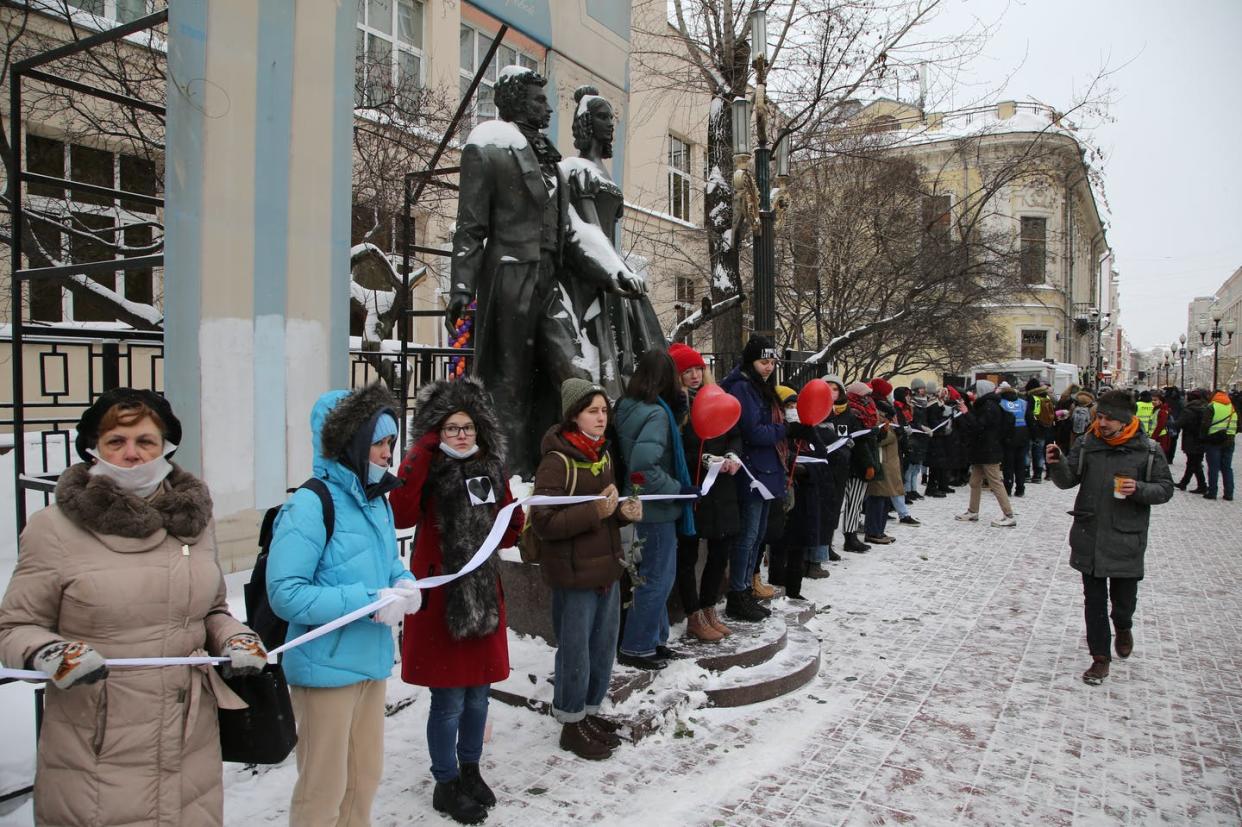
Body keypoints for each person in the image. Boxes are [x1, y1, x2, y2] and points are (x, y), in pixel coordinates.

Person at [0, 388, 267, 827]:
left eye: (145, 441)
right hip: (99, 746)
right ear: (92, 450)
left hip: (189, 740)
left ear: (166, 448)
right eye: (116, 442)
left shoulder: (192, 522)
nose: (132, 454)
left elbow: (211, 608)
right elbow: (15, 627)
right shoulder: (55, 528)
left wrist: (234, 635)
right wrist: (52, 653)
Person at [448, 67, 641, 477]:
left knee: (575, 374)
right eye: (539, 99)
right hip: (510, 279)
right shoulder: (488, 145)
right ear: (514, 101)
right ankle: (511, 478)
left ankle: (564, 469)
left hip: (549, 282)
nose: (548, 106)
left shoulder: (552, 160)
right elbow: (470, 226)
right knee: (510, 387)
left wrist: (613, 271)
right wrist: (462, 287)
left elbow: (573, 231)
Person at [267, 383, 420, 827]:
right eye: (379, 443)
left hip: (370, 662)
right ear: (349, 442)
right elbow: (286, 593)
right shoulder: (311, 504)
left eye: (391, 442)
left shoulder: (376, 502)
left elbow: (388, 561)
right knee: (323, 789)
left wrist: (403, 582)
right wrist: (369, 602)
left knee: (364, 778)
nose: (388, 453)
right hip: (325, 669)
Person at [390, 378, 525, 825]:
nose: (461, 435)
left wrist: (514, 511)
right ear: (436, 432)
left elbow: (509, 529)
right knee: (447, 700)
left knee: (479, 697)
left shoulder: (489, 466)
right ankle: (445, 781)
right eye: (451, 428)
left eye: (468, 426)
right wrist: (422, 451)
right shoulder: (427, 467)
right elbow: (401, 512)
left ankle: (470, 768)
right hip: (442, 601)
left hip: (483, 597)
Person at [531, 378, 642, 760]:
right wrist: (595, 512)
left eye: (604, 410)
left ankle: (591, 712)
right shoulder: (556, 461)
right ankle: (570, 720)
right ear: (574, 415)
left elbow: (606, 513)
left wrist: (623, 516)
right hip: (574, 573)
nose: (601, 417)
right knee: (575, 650)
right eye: (592, 411)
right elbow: (544, 522)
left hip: (606, 570)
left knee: (602, 646)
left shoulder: (603, 454)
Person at [1046, 390, 1174, 685]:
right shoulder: (1088, 444)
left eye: (1109, 418)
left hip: (1126, 536)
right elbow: (1067, 481)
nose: (1101, 423)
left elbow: (1165, 488)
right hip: (1089, 532)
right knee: (1093, 600)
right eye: (1099, 416)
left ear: (1124, 421)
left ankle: (1124, 626)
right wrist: (1056, 464)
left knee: (1123, 600)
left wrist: (1139, 489)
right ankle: (1100, 658)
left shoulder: (1148, 450)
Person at [562, 86, 665, 397]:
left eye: (611, 117)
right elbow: (589, 226)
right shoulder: (575, 168)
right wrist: (613, 268)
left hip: (614, 267)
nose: (610, 124)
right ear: (587, 123)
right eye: (603, 117)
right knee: (604, 347)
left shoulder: (604, 173)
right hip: (593, 271)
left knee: (631, 345)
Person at [614, 349, 698, 667]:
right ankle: (637, 646)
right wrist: (679, 490)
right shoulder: (657, 413)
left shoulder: (626, 405)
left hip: (637, 504)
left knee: (654, 576)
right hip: (656, 508)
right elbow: (644, 465)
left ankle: (655, 639)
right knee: (657, 578)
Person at [670, 343, 743, 634]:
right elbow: (675, 450)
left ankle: (710, 606)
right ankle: (694, 614)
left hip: (722, 486)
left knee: (720, 550)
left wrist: (733, 455)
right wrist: (702, 458)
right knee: (688, 554)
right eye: (687, 371)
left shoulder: (717, 397)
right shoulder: (677, 405)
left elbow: (734, 433)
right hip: (694, 487)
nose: (695, 375)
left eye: (698, 369)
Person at [720, 336, 788, 619]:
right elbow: (754, 432)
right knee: (747, 536)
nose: (769, 367)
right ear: (751, 361)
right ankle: (738, 593)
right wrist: (785, 429)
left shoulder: (760, 387)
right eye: (764, 362)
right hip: (751, 471)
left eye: (772, 362)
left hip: (765, 470)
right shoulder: (742, 388)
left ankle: (746, 588)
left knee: (758, 535)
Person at [768, 386, 828, 599]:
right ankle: (777, 585)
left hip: (806, 497)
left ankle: (794, 590)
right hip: (785, 496)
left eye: (795, 405)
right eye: (788, 405)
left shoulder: (809, 430)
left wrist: (806, 470)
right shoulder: (777, 431)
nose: (793, 409)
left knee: (798, 549)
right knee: (779, 546)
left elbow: (822, 459)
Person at [954, 379, 1018, 528]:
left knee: (995, 483)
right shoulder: (984, 404)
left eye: (975, 391)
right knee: (974, 482)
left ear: (981, 392)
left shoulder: (990, 406)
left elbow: (978, 426)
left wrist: (966, 412)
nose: (973, 394)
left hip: (989, 451)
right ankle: (972, 511)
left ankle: (1009, 515)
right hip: (981, 451)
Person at [863, 402, 907, 544]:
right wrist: (893, 430)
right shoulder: (880, 425)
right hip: (882, 467)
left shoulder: (888, 426)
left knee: (884, 501)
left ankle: (879, 531)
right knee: (877, 500)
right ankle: (873, 532)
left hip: (889, 468)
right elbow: (881, 439)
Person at [998, 381, 1034, 497]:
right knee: (1020, 463)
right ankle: (1020, 488)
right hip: (1023, 434)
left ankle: (1007, 488)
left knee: (1008, 464)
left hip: (1008, 436)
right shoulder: (1023, 403)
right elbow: (1030, 420)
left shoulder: (1001, 403)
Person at [1201, 390, 1238, 501]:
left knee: (1213, 467)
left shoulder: (1212, 406)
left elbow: (1205, 424)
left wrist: (1203, 437)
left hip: (1214, 441)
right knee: (1227, 468)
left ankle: (1212, 492)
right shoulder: (1232, 407)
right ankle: (1229, 493)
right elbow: (1238, 425)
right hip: (1230, 440)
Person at [1174, 388, 1209, 493]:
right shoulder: (1206, 408)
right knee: (1193, 462)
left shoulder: (1189, 410)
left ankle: (1201, 485)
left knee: (1195, 463)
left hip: (1190, 439)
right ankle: (1184, 483)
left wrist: (1170, 422)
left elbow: (1179, 424)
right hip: (1202, 438)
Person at [1026, 378, 1054, 483]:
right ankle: (1039, 474)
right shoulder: (1046, 397)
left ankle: (1028, 474)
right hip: (1046, 428)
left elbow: (1031, 414)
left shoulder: (1032, 398)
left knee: (1029, 453)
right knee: (1040, 453)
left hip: (1034, 428)